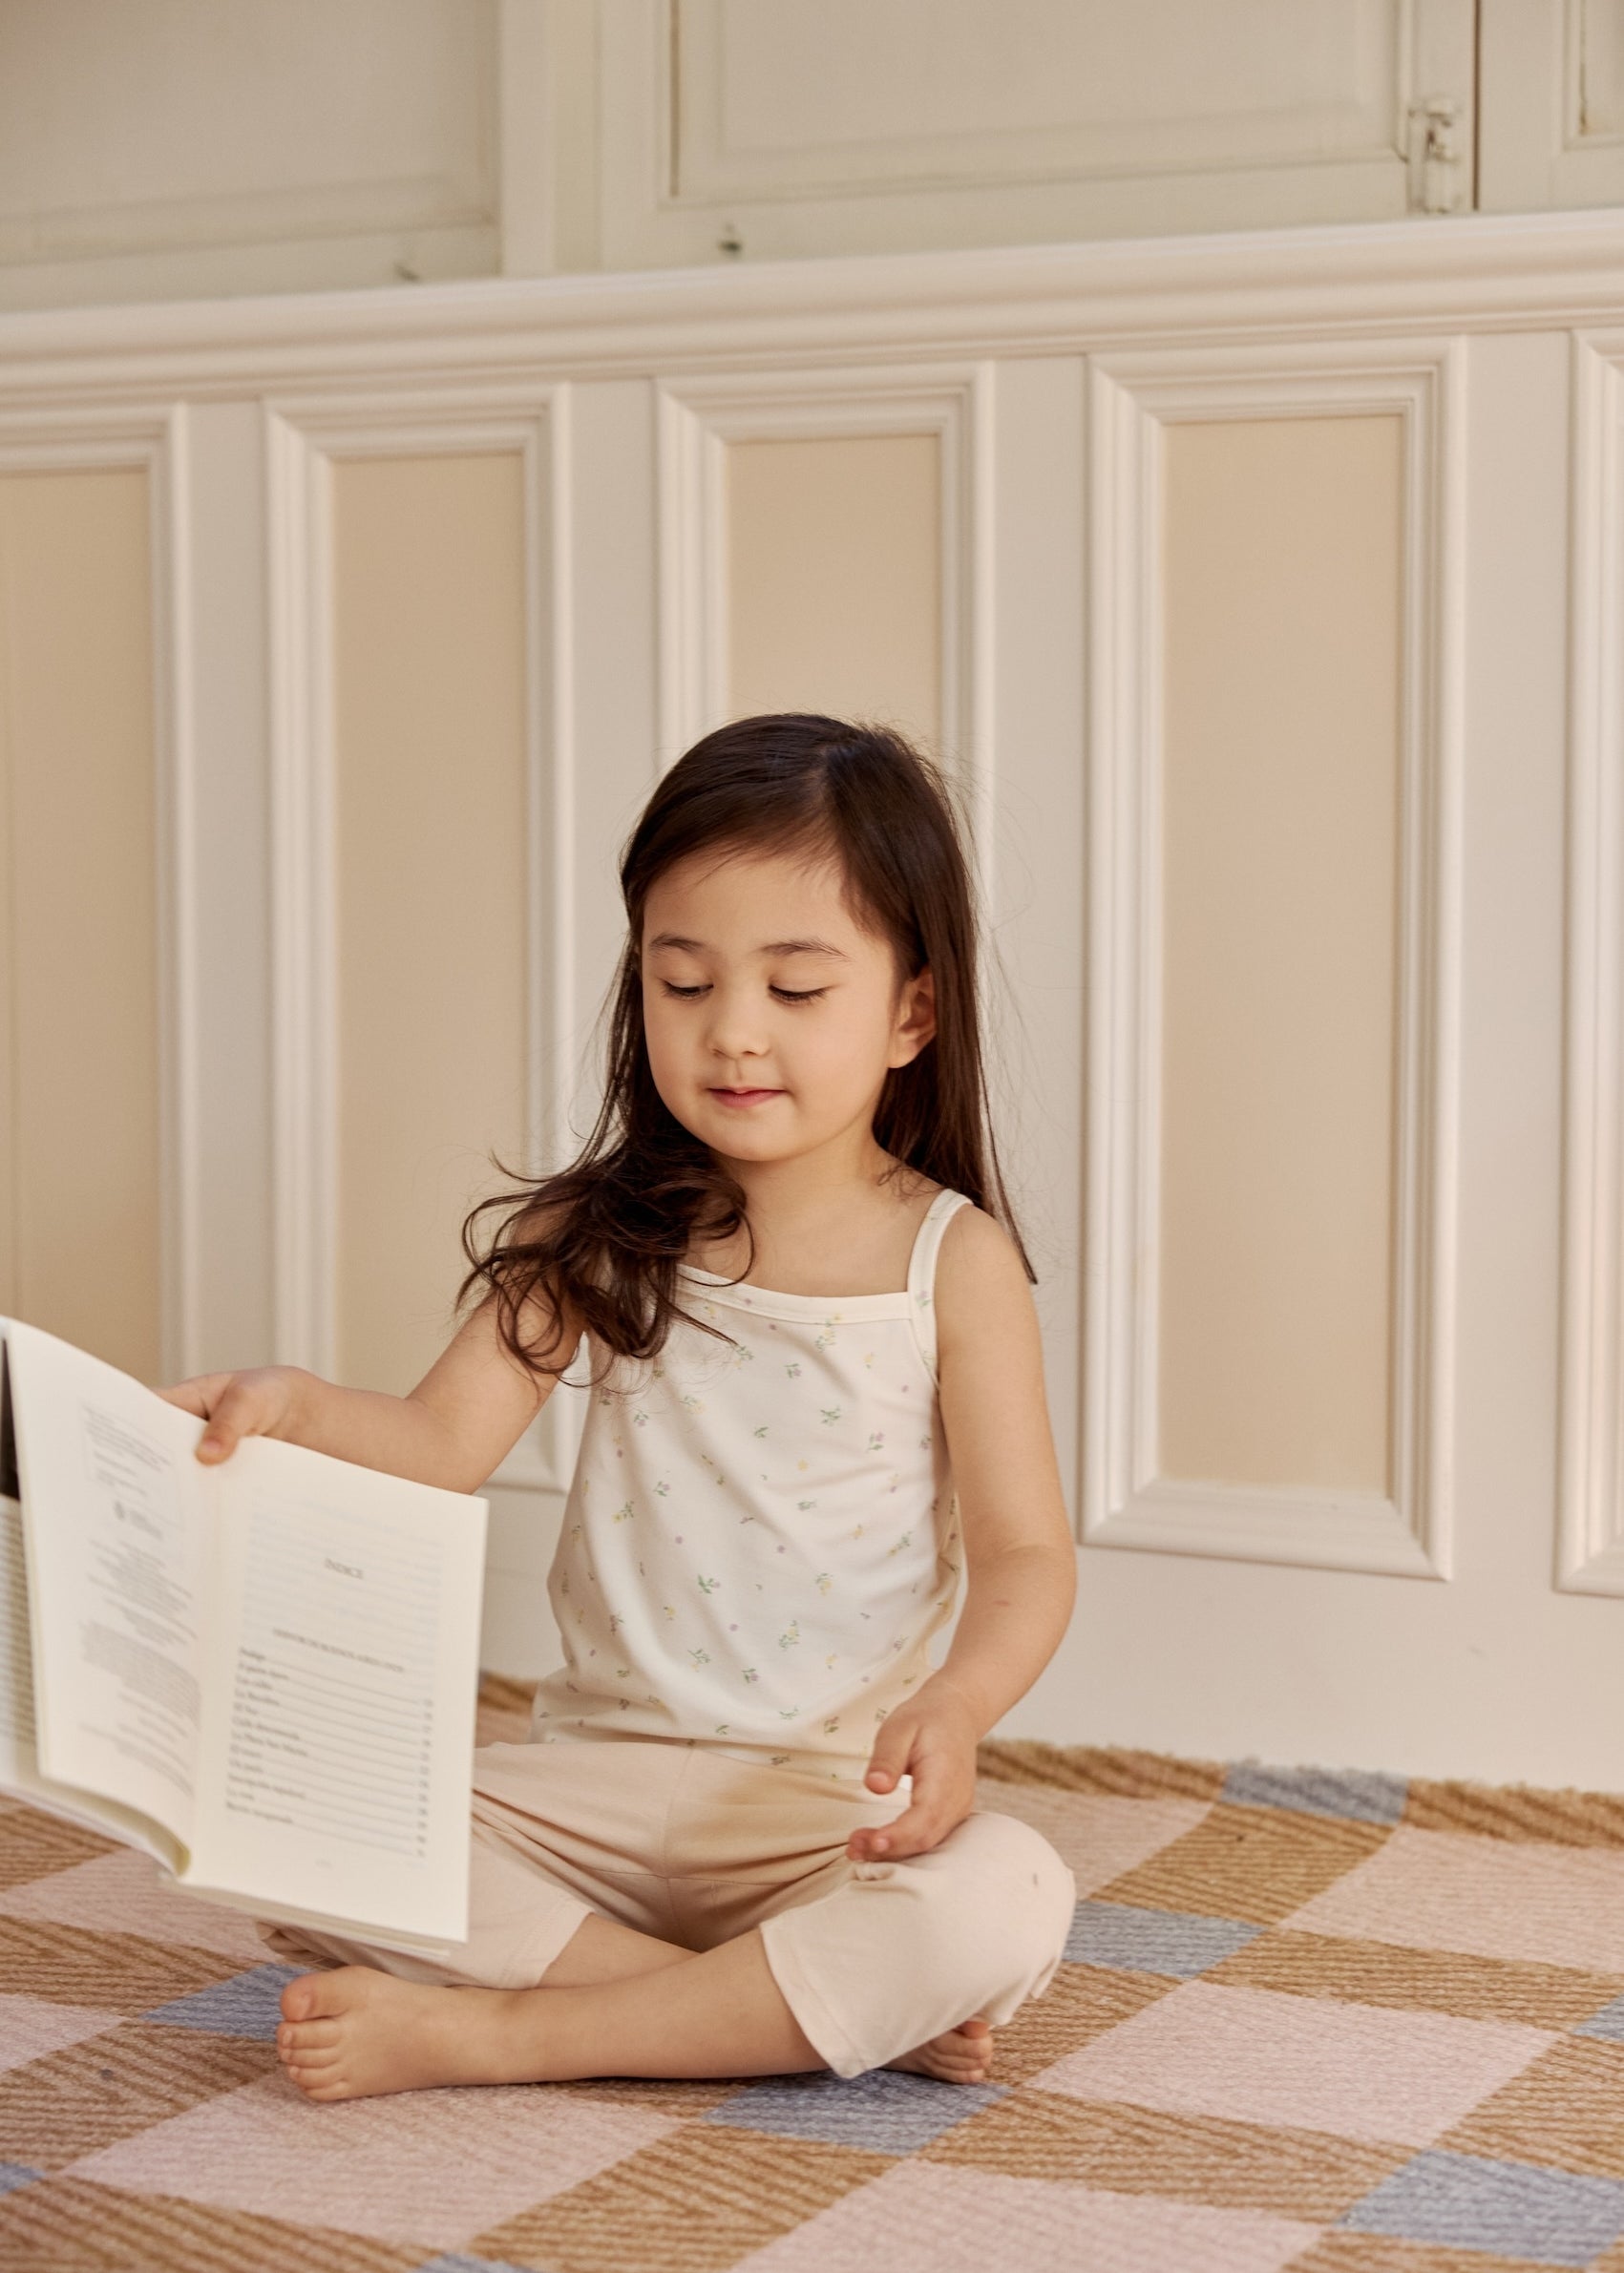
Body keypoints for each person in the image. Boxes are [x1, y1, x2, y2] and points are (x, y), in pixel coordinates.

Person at [158, 713, 1079, 2103]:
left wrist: (956, 1704)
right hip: (580, 1787)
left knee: (1009, 1894)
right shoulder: (592, 1233)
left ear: (911, 1012)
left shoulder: (952, 1260)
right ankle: (771, 2004)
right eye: (684, 980)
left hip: (819, 1812)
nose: (733, 1034)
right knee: (267, 1805)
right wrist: (290, 1407)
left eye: (795, 987)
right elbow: (427, 1450)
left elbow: (1025, 1557)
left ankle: (504, 2031)